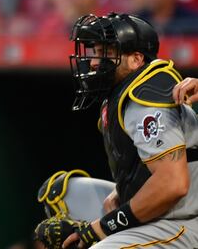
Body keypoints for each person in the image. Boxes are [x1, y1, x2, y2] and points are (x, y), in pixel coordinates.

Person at [35, 13, 198, 248]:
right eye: (95, 52)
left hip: (183, 220)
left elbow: (172, 184)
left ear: (136, 59)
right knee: (60, 193)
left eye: (106, 53)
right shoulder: (121, 94)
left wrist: (102, 227)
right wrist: (123, 194)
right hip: (163, 213)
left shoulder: (147, 93)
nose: (94, 62)